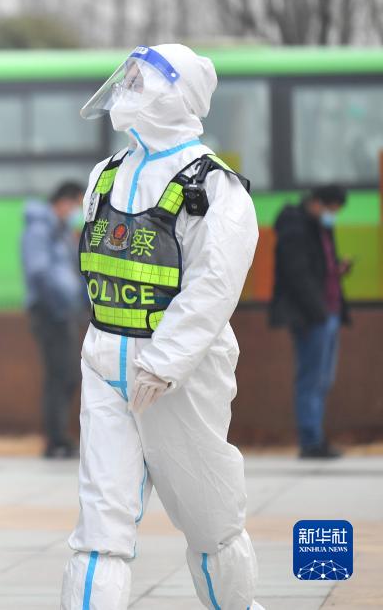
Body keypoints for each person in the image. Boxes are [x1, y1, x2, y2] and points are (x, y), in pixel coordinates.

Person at [61, 44, 265, 609]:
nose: (126, 91)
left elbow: (214, 286)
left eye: (140, 81)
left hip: (181, 377)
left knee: (210, 520)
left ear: (180, 95)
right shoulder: (106, 175)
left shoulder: (214, 187)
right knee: (100, 526)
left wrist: (165, 362)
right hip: (105, 363)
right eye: (126, 79)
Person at [269, 185, 350, 459]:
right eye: (331, 209)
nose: (332, 215)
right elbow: (297, 274)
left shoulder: (320, 226)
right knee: (311, 380)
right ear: (316, 203)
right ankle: (311, 441)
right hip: (313, 316)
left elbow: (320, 267)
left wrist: (338, 269)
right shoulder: (296, 226)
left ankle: (315, 437)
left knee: (323, 379)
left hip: (329, 313)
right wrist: (318, 311)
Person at [21, 181, 87, 459]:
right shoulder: (40, 230)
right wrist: (59, 303)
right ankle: (55, 441)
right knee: (61, 376)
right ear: (64, 202)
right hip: (50, 313)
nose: (78, 212)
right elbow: (39, 272)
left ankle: (59, 438)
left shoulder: (60, 231)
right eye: (77, 205)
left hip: (63, 312)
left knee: (66, 375)